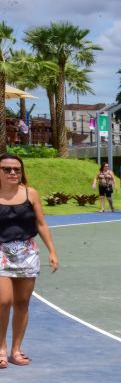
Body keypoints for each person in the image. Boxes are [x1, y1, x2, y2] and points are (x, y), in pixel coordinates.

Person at [0, 154, 58, 369]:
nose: (12, 173)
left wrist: (52, 251)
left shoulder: (30, 193)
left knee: (22, 303)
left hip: (27, 252)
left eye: (16, 169)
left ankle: (16, 349)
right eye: (6, 169)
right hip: (1, 252)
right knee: (3, 301)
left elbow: (41, 224)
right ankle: (1, 349)